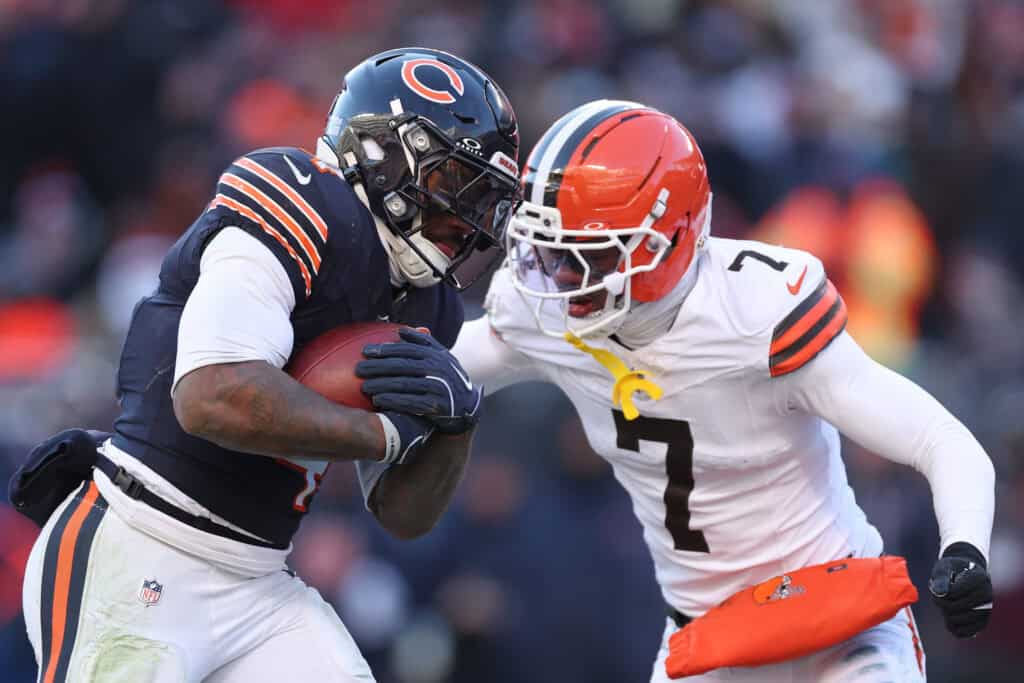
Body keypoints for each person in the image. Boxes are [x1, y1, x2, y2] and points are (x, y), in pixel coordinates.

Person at [356, 100, 996, 682]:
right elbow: (436, 366)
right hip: (704, 639)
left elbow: (938, 439)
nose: (561, 279)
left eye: (588, 256)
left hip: (839, 621)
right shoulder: (542, 310)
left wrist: (965, 545)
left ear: (670, 239)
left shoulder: (757, 311)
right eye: (549, 251)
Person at [15, 47, 520, 682]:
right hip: (140, 543)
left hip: (260, 580)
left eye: (483, 198)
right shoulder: (300, 199)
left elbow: (402, 515)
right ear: (379, 153)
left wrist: (455, 427)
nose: (467, 220)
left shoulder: (428, 304)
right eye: (453, 185)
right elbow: (210, 396)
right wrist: (384, 435)